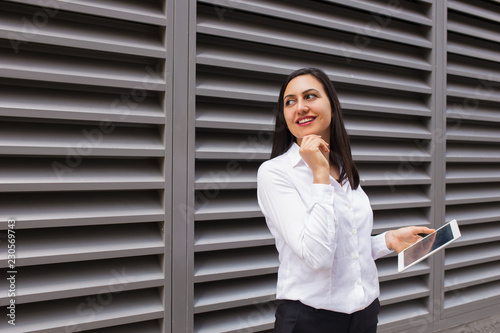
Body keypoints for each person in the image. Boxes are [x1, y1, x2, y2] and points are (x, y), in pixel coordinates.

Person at [257, 67, 434, 333]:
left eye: (310, 96)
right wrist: (318, 173)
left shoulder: (342, 168)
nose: (300, 107)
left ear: (334, 104)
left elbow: (345, 246)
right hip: (311, 319)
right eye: (290, 102)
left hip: (364, 313)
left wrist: (388, 241)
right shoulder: (275, 173)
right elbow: (317, 255)